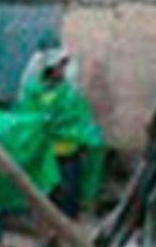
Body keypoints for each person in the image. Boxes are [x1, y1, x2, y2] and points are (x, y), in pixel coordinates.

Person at [18, 48, 103, 221]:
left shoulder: (69, 93)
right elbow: (27, 119)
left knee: (69, 191)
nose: (64, 70)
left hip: (68, 151)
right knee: (46, 190)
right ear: (50, 68)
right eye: (61, 66)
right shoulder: (34, 92)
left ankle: (67, 222)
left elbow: (79, 118)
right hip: (43, 151)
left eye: (65, 66)